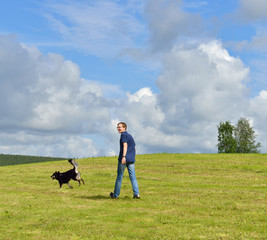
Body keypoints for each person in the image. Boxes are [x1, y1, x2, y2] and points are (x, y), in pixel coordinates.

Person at [110, 122, 140, 199]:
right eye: (117, 127)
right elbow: (134, 147)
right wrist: (132, 156)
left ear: (124, 128)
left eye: (120, 127)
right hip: (131, 159)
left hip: (124, 159)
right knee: (133, 177)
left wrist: (124, 157)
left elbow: (125, 145)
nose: (118, 128)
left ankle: (115, 195)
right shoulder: (130, 136)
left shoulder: (123, 135)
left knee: (119, 177)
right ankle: (136, 194)